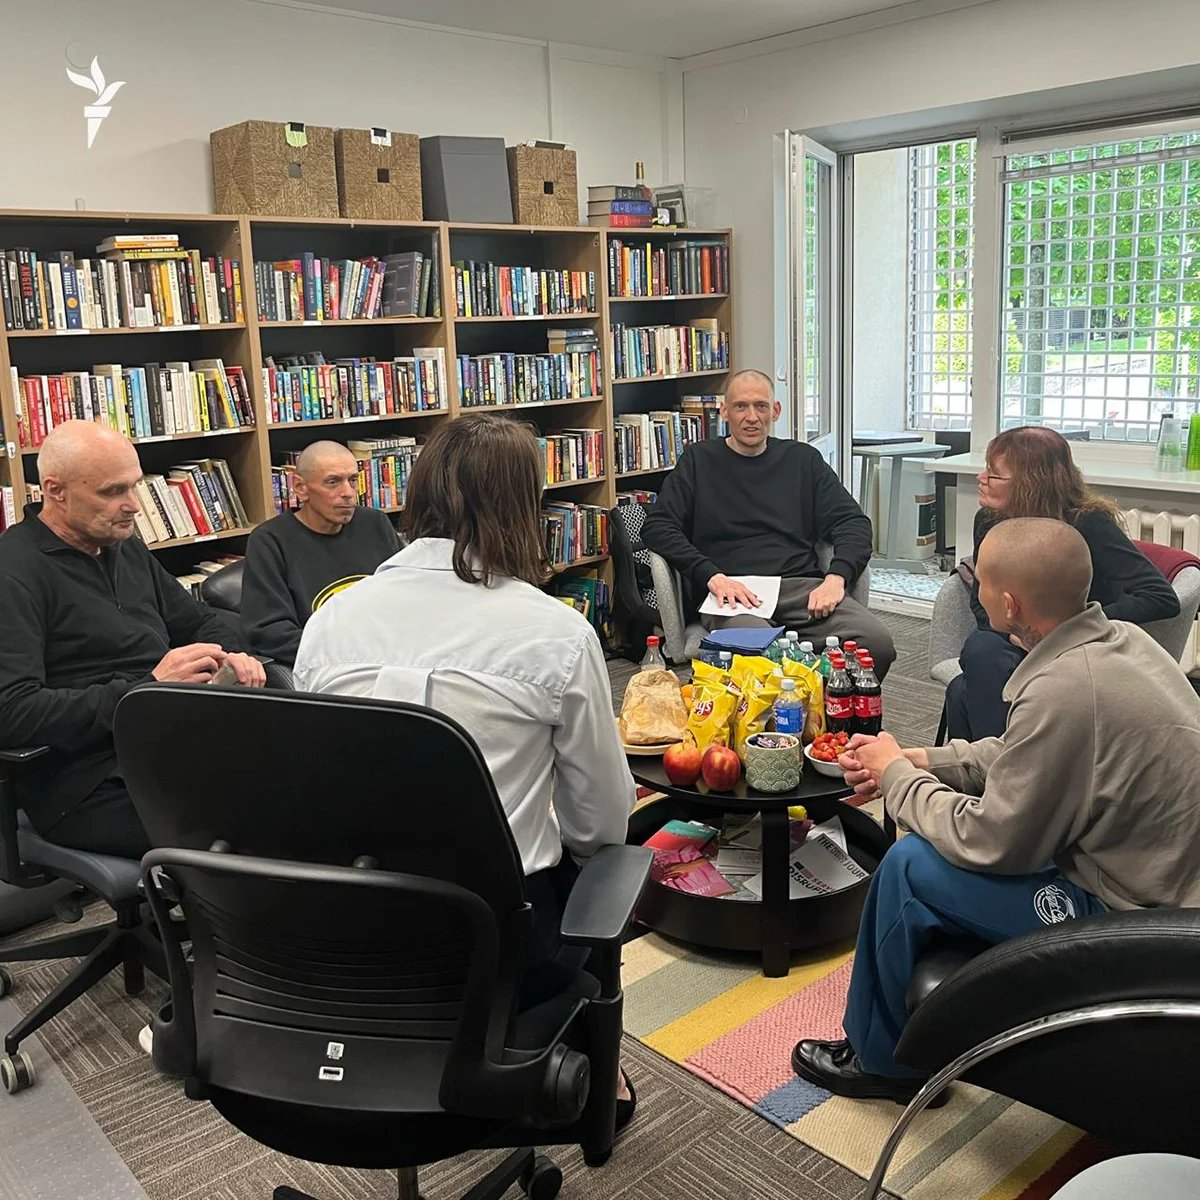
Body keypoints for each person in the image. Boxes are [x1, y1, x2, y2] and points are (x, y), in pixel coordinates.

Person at [294, 413, 639, 1124]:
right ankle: (594, 1080)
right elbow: (600, 821)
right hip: (501, 950)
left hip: (348, 932)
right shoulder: (556, 633)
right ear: (524, 509)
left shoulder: (330, 622)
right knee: (599, 869)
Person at [791, 518, 1200, 1104]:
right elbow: (1023, 754)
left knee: (908, 864)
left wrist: (897, 780)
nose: (973, 590)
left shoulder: (1065, 690)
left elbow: (993, 843)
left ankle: (884, 1063)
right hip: (1156, 879)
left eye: (979, 581)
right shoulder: (1121, 641)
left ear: (1008, 603)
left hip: (1143, 923)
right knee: (928, 834)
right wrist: (923, 759)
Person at [0, 421, 264, 860]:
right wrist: (148, 687)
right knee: (256, 825)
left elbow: (199, 622)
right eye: (112, 491)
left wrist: (230, 655)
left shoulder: (121, 545)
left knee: (312, 782)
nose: (133, 506)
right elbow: (12, 712)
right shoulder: (14, 573)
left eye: (135, 487)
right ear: (55, 490)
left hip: (169, 740)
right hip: (86, 781)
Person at [641, 368, 895, 675]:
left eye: (761, 406)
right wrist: (711, 575)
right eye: (741, 406)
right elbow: (657, 526)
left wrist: (836, 578)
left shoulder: (803, 460)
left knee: (877, 643)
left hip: (801, 588)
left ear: (775, 411)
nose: (751, 416)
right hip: (733, 593)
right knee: (761, 653)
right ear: (724, 411)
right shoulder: (698, 461)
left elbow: (852, 522)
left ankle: (830, 720)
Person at [948, 425, 1178, 740]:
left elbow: (1160, 597)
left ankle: (1002, 771)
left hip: (1075, 647)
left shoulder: (1088, 523)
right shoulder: (989, 520)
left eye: (993, 474)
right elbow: (981, 599)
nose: (981, 478)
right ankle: (997, 773)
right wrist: (1018, 636)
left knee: (966, 686)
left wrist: (1067, 628)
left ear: (1031, 483)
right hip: (1014, 640)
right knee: (975, 661)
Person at [241, 441, 400, 666]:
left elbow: (406, 594)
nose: (347, 493)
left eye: (353, 480)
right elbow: (270, 633)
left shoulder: (375, 523)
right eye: (333, 482)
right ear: (300, 488)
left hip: (388, 657)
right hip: (326, 667)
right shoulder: (270, 541)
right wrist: (350, 654)